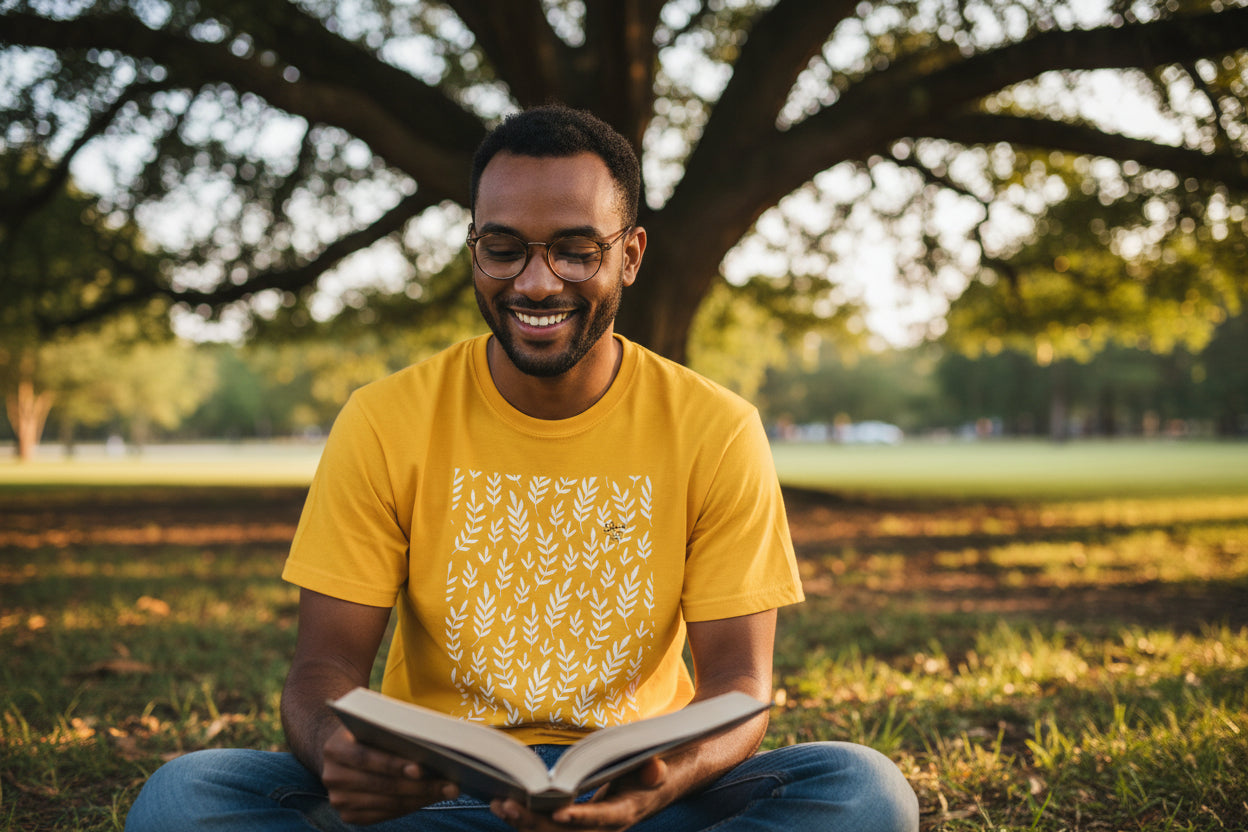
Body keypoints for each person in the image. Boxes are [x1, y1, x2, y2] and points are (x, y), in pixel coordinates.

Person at [125, 104, 919, 832]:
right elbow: (322, 667)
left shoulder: (716, 427)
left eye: (576, 251)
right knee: (184, 798)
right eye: (503, 250)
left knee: (861, 791)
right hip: (433, 797)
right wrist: (342, 752)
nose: (536, 284)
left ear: (631, 255)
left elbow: (740, 686)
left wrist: (661, 783)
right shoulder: (386, 418)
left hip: (640, 800)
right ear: (475, 248)